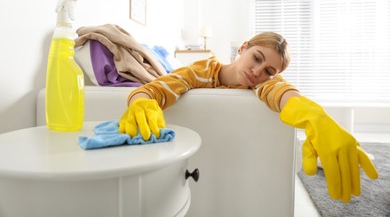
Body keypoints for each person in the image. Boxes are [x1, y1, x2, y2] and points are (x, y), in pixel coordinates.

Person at [119, 31, 378, 203]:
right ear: (243, 48)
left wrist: (315, 116)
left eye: (268, 70)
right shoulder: (201, 70)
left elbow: (283, 92)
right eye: (256, 58)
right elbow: (154, 89)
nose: (257, 71)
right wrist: (141, 103)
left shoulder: (261, 86)